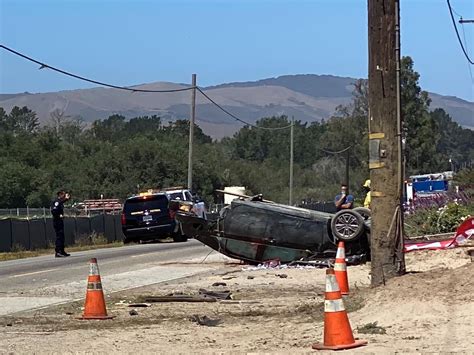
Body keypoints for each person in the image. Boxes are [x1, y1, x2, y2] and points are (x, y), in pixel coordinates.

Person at [51, 190, 71, 257]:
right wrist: (58, 215)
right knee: (59, 236)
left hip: (60, 221)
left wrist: (67, 199)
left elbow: (61, 202)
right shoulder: (56, 202)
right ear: (60, 195)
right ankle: (58, 252)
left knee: (62, 237)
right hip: (57, 221)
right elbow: (54, 210)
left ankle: (62, 251)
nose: (64, 196)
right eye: (63, 195)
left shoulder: (60, 202)